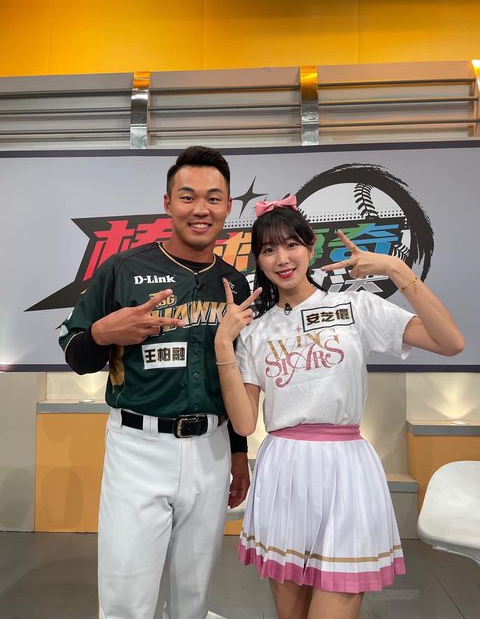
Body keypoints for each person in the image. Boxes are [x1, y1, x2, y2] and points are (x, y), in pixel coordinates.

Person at [214, 197, 464, 619]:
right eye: (269, 249)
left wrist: (396, 269)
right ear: (258, 259)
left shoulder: (354, 307)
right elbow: (242, 422)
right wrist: (224, 344)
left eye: (291, 244)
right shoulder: (256, 332)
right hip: (283, 472)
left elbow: (450, 342)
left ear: (311, 247)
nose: (282, 258)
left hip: (345, 471)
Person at [58, 146, 251, 619]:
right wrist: (103, 333)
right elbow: (74, 351)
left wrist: (239, 453)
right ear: (167, 203)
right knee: (127, 600)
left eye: (213, 198)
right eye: (187, 196)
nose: (200, 209)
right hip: (138, 448)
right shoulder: (122, 269)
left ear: (228, 206)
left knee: (193, 597)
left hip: (211, 448)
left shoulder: (235, 283)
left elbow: (236, 376)